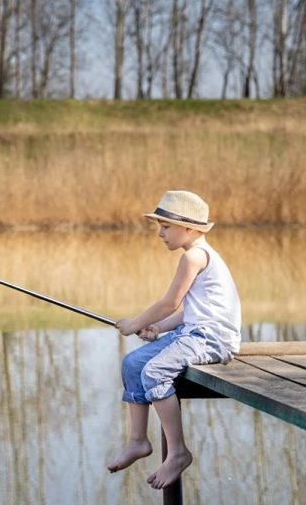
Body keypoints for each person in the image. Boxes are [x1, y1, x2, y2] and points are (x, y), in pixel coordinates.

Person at [107, 190, 241, 490]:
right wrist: (158, 328)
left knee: (155, 372)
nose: (160, 233)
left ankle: (178, 452)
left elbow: (171, 302)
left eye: (165, 226)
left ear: (190, 228)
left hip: (212, 339)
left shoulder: (195, 256)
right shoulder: (197, 255)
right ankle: (138, 441)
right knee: (133, 363)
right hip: (195, 331)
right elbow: (189, 311)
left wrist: (135, 323)